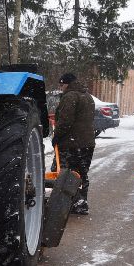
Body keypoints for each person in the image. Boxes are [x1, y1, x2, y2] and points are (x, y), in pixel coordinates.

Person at [51, 72, 96, 215]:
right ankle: (81, 202)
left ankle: (63, 203)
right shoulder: (88, 96)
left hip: (70, 143)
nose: (60, 87)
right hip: (87, 143)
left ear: (67, 84)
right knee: (81, 173)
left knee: (64, 173)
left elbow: (65, 122)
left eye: (61, 84)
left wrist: (56, 137)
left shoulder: (70, 96)